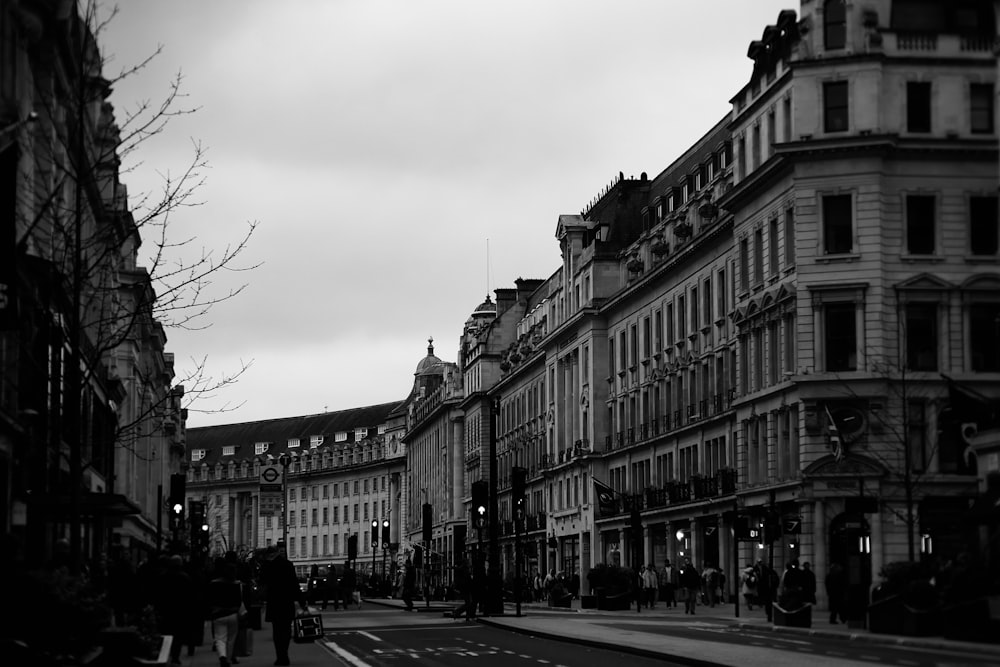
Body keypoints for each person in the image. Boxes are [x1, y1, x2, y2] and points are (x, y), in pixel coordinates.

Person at [261, 544, 307, 667]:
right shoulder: (288, 565)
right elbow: (294, 585)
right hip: (286, 602)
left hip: (274, 601)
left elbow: (262, 582)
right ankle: (284, 654)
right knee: (286, 630)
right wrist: (302, 602)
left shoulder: (267, 566)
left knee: (277, 631)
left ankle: (280, 656)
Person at [152, 554, 196, 665]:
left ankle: (166, 655)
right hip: (180, 611)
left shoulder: (162, 576)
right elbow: (189, 596)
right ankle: (175, 656)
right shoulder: (185, 577)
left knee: (166, 633)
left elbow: (157, 594)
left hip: (165, 610)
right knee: (178, 636)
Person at [207, 558, 243, 667]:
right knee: (231, 638)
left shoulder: (214, 583)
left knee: (220, 637)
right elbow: (239, 601)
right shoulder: (237, 584)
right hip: (232, 614)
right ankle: (228, 658)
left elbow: (210, 599)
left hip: (218, 613)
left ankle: (222, 656)